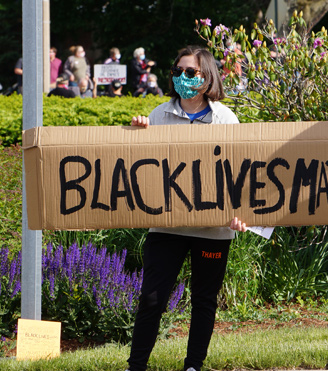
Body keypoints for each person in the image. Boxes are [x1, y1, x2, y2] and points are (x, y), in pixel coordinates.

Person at [126, 45, 245, 371]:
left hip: (213, 229)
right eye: (178, 71)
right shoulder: (158, 116)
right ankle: (135, 367)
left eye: (190, 72)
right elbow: (138, 166)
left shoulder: (226, 119)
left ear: (208, 77)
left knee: (203, 301)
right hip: (166, 227)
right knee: (151, 299)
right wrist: (135, 136)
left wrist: (241, 213)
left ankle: (193, 366)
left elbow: (239, 172)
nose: (182, 77)